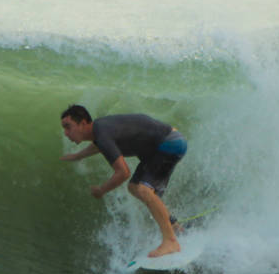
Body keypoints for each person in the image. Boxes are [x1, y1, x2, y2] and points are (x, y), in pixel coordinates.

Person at [60, 104, 188, 258]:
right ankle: (173, 225)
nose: (66, 133)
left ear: (83, 123)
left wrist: (102, 190)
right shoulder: (100, 131)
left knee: (143, 189)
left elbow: (123, 172)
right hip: (159, 148)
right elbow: (98, 146)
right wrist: (77, 156)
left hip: (169, 143)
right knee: (134, 187)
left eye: (68, 127)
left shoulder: (101, 133)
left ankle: (171, 241)